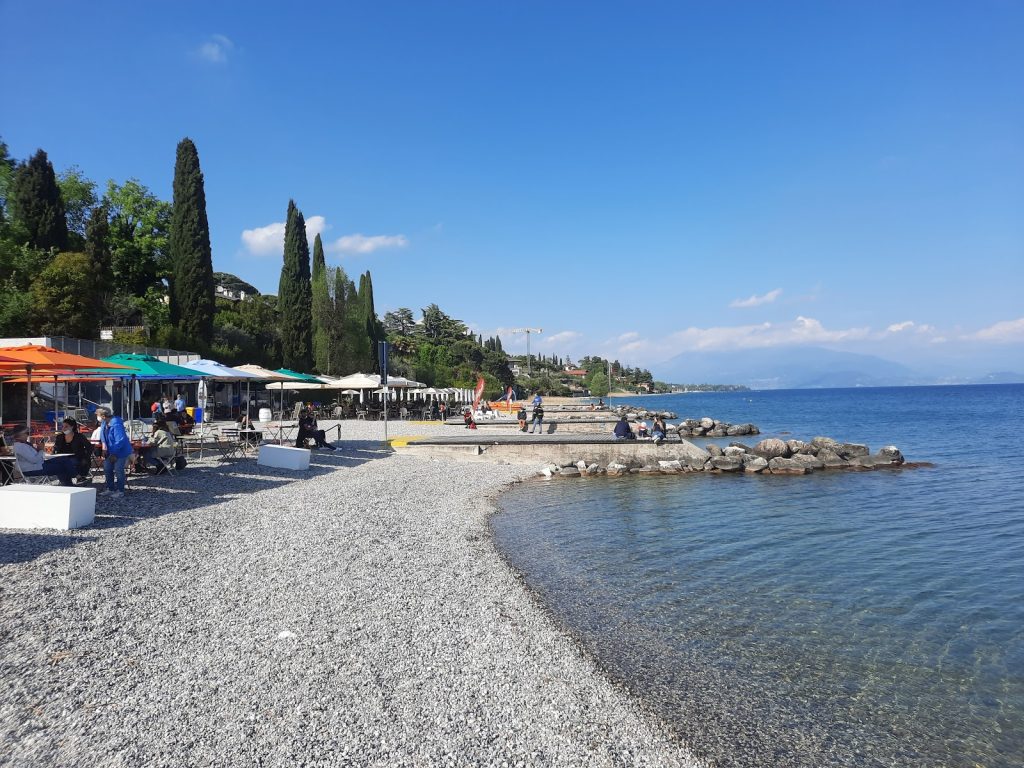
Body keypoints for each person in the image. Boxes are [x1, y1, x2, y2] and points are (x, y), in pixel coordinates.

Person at [10, 426, 76, 485]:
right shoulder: (20, 446)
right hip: (32, 469)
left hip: (37, 465)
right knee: (61, 467)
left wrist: (38, 450)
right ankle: (71, 482)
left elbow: (34, 457)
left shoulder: (23, 444)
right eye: (27, 433)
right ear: (20, 435)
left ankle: (73, 479)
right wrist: (41, 450)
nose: (28, 435)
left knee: (63, 459)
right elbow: (34, 460)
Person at [97, 406, 134, 498]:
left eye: (98, 415)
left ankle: (120, 490)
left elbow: (120, 440)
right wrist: (104, 448)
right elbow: (102, 436)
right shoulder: (104, 423)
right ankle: (110, 488)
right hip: (110, 450)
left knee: (118, 469)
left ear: (103, 416)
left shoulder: (116, 424)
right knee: (107, 468)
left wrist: (114, 453)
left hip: (121, 451)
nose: (97, 417)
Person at [52, 417, 94, 483]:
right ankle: (73, 480)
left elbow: (89, 447)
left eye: (66, 426)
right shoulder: (59, 437)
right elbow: (55, 448)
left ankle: (69, 481)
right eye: (62, 426)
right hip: (62, 458)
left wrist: (85, 457)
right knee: (59, 464)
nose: (63, 428)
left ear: (72, 427)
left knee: (65, 463)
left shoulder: (79, 436)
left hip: (76, 458)